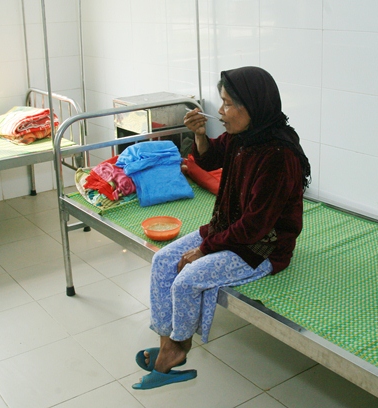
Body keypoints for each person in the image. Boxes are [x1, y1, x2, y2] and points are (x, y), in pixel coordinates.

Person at [132, 66, 311, 390]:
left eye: (228, 104)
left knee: (186, 280)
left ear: (252, 106)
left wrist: (205, 249)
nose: (220, 111)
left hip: (262, 247)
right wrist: (200, 135)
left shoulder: (279, 157)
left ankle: (178, 347)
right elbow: (211, 158)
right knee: (162, 261)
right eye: (222, 102)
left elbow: (254, 227)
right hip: (228, 229)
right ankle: (168, 342)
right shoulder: (244, 137)